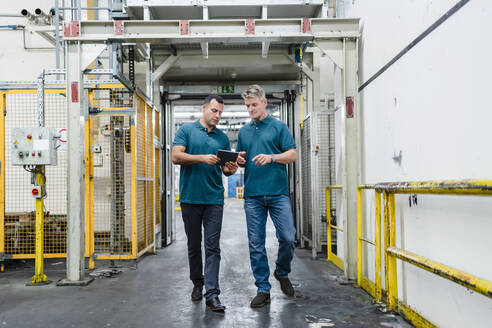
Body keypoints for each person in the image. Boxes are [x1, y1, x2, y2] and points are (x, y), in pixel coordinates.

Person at [172, 94, 238, 312]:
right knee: (193, 246)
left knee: (212, 248)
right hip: (190, 199)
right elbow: (175, 156)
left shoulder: (222, 138)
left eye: (220, 112)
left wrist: (230, 169)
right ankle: (197, 283)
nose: (217, 115)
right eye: (214, 111)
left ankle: (212, 294)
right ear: (204, 108)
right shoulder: (186, 131)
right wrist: (202, 157)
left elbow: (225, 170)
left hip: (214, 200)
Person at [236, 85, 297, 308]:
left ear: (264, 103)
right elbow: (241, 158)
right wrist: (239, 161)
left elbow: (292, 154)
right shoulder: (243, 132)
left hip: (278, 193)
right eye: (247, 106)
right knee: (256, 244)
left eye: (254, 105)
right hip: (252, 195)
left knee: (288, 237)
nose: (250, 109)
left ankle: (282, 271)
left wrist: (271, 157)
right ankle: (263, 288)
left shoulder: (279, 127)